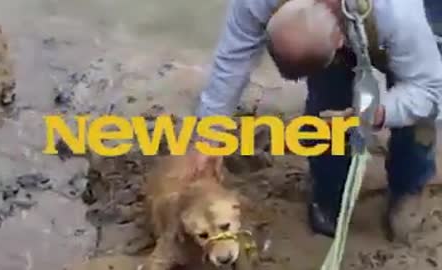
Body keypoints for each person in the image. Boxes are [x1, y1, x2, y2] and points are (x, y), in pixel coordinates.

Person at [188, 0, 442, 244]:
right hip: (336, 24)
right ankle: (330, 193)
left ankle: (408, 186)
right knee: (327, 103)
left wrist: (378, 113)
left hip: (400, 19)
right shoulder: (255, 3)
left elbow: (431, 90)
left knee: (417, 112)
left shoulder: (398, 14)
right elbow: (233, 59)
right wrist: (208, 133)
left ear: (340, 39)